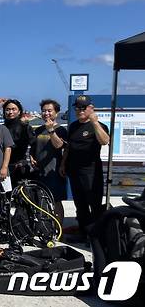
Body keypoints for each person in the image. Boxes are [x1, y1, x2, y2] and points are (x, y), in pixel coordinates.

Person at [61, 95, 109, 234]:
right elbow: (68, 147)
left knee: (94, 203)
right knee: (79, 203)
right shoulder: (73, 126)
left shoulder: (99, 126)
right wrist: (63, 164)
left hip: (91, 171)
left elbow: (104, 141)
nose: (80, 110)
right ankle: (83, 231)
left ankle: (97, 234)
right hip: (74, 170)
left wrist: (95, 123)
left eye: (83, 107)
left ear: (91, 108)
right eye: (77, 107)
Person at [30, 99, 67, 224]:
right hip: (39, 171)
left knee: (56, 201)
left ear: (56, 113)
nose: (46, 113)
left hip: (54, 171)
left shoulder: (61, 129)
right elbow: (34, 147)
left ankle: (58, 229)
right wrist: (31, 156)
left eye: (49, 111)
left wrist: (51, 130)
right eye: (44, 111)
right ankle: (45, 227)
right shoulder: (39, 130)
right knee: (41, 200)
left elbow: (59, 145)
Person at [0, 98, 35, 183]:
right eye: (7, 109)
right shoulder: (1, 128)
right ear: (4, 112)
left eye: (13, 109)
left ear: (19, 112)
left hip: (19, 166)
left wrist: (32, 157)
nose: (10, 112)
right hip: (2, 167)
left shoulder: (25, 127)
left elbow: (34, 143)